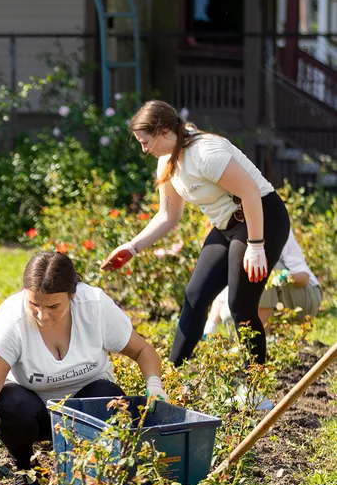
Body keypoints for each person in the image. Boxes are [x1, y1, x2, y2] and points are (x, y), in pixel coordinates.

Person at [0, 252, 165, 485]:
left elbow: (142, 350)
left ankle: (90, 475)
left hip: (86, 412)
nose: (43, 316)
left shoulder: (94, 306)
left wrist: (154, 386)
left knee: (109, 395)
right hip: (33, 414)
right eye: (34, 304)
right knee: (5, 401)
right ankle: (26, 472)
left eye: (53, 306)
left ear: (72, 295)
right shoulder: (11, 318)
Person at [102, 100, 290, 369]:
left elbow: (250, 192)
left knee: (241, 304)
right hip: (228, 226)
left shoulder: (205, 152)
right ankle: (172, 377)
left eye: (145, 142)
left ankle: (256, 389)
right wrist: (132, 247)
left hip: (262, 218)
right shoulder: (167, 161)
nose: (144, 149)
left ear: (164, 131)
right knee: (195, 295)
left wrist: (256, 245)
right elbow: (168, 215)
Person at [205, 230, 323, 334]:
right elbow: (224, 294)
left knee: (260, 266)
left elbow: (304, 278)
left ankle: (262, 341)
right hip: (277, 300)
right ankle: (253, 345)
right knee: (227, 313)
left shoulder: (277, 226)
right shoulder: (235, 238)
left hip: (305, 297)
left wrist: (283, 277)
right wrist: (210, 326)